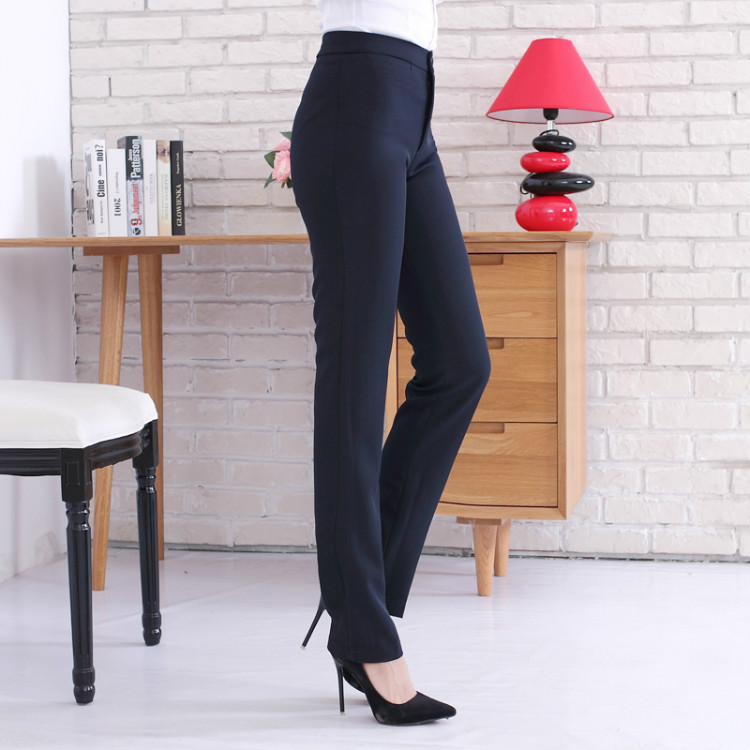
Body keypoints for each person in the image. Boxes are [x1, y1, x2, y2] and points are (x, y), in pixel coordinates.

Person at [290, 0, 491, 726]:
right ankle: (367, 633)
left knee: (460, 362)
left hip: (410, 108)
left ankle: (356, 596)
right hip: (357, 97)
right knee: (355, 379)